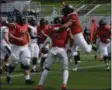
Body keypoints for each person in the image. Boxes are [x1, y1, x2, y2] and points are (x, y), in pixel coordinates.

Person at [35, 17, 69, 90]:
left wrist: (43, 47)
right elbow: (69, 38)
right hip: (62, 49)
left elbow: (48, 39)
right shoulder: (65, 28)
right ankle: (64, 84)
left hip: (53, 49)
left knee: (46, 68)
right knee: (65, 69)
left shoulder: (51, 28)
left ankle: (40, 85)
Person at [8, 15, 34, 84]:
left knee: (26, 62)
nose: (23, 21)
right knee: (14, 62)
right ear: (19, 20)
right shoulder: (15, 25)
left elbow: (27, 33)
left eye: (24, 19)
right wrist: (17, 38)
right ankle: (9, 75)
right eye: (22, 19)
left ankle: (27, 79)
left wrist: (29, 41)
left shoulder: (25, 25)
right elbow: (10, 35)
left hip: (25, 46)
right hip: (16, 46)